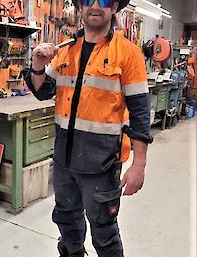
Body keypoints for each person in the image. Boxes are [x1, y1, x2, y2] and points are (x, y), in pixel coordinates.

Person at [22, 0, 153, 256]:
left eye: (104, 0)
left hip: (101, 167)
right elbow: (42, 90)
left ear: (114, 7)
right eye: (88, 0)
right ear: (80, 6)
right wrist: (37, 64)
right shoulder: (65, 49)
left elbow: (139, 115)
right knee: (67, 227)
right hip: (64, 163)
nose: (95, 5)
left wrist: (139, 165)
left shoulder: (128, 53)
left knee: (104, 235)